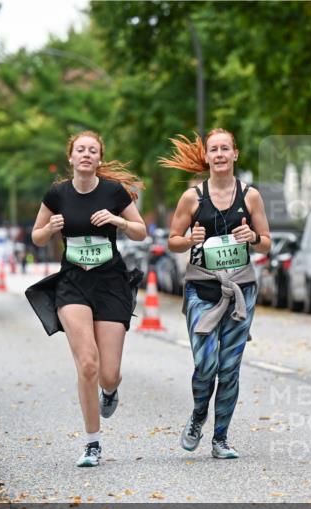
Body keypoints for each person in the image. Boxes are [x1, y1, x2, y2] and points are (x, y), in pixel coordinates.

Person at [26, 131, 148, 468]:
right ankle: (92, 443)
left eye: (92, 150)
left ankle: (110, 391)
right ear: (71, 157)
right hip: (73, 284)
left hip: (110, 283)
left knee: (108, 373)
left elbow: (141, 231)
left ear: (98, 158)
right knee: (88, 363)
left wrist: (118, 220)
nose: (85, 154)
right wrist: (49, 228)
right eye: (80, 149)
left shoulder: (113, 192)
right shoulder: (57, 194)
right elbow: (36, 236)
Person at [160, 129, 272, 460]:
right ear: (206, 157)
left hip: (241, 289)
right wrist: (190, 239)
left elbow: (266, 241)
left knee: (230, 367)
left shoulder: (250, 196)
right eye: (214, 150)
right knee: (206, 364)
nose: (220, 154)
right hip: (202, 288)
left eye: (226, 149)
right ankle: (198, 416)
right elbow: (172, 240)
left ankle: (220, 438)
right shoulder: (193, 198)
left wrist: (252, 236)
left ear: (235, 154)